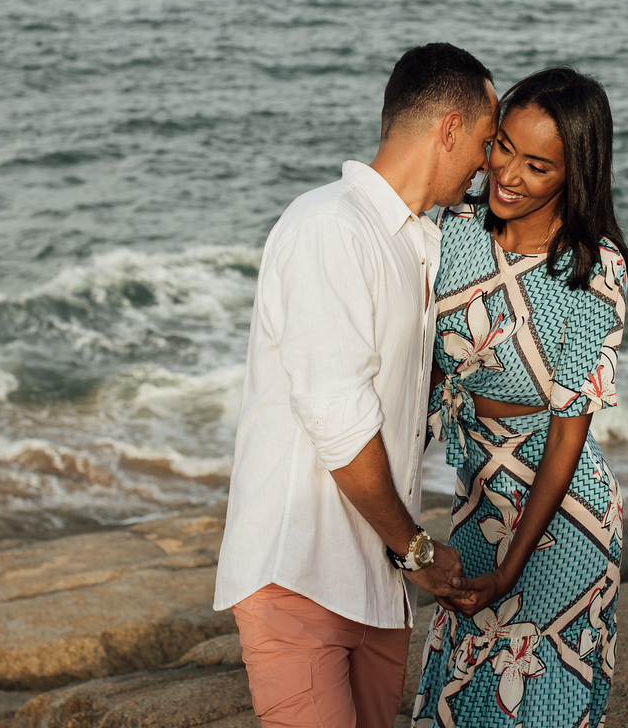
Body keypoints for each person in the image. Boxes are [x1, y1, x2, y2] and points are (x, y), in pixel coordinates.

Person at [214, 43, 499, 728]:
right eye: (486, 143)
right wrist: (417, 550)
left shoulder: (420, 241)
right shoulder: (330, 227)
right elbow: (337, 418)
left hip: (376, 587)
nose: (488, 163)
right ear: (450, 129)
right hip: (300, 572)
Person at [412, 67, 628, 728]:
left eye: (537, 166)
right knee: (465, 696)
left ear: (573, 174)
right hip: (478, 494)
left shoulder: (593, 269)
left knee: (537, 702)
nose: (507, 174)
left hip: (560, 513)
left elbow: (568, 434)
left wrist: (510, 572)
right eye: (503, 147)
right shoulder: (455, 228)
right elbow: (424, 373)